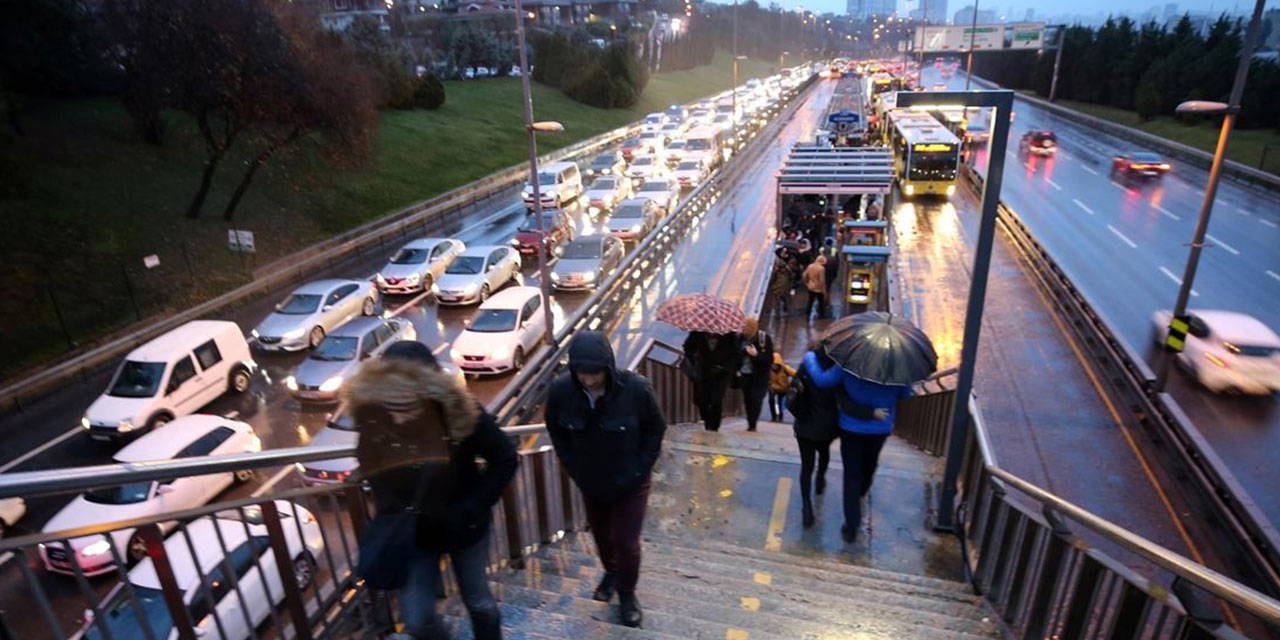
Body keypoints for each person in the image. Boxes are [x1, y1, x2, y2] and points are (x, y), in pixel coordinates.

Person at [347, 340, 518, 640]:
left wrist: (472, 507)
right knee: (417, 619)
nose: (400, 409)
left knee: (479, 602)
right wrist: (392, 508)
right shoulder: (374, 420)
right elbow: (372, 467)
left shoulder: (460, 414)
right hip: (415, 534)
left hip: (464, 527)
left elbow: (504, 458)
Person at [545, 331, 667, 629]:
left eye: (595, 373)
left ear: (608, 367)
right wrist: (573, 466)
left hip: (630, 482)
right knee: (601, 536)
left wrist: (639, 471)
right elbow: (556, 430)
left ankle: (628, 594)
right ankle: (612, 572)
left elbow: (656, 429)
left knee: (626, 541)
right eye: (582, 374)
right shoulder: (562, 392)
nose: (588, 380)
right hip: (592, 481)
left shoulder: (635, 390)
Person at [802, 349, 913, 544]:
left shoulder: (851, 363)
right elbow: (905, 394)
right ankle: (861, 494)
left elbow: (822, 380)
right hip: (880, 428)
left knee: (851, 474)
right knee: (869, 467)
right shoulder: (898, 368)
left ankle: (851, 524)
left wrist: (810, 358)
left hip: (851, 428)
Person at [788, 347, 841, 529]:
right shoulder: (838, 369)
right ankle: (821, 478)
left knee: (806, 466)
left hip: (805, 425)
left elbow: (793, 392)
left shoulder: (806, 367)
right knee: (824, 453)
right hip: (828, 426)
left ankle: (807, 506)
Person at [681, 329, 740, 431]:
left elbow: (735, 354)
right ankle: (706, 419)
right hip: (703, 370)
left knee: (716, 398)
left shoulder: (730, 336)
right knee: (701, 399)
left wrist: (725, 367)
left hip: (721, 373)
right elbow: (687, 347)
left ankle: (714, 426)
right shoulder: (697, 332)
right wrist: (694, 358)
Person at [734, 316, 774, 431]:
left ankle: (752, 424)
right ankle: (750, 421)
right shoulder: (740, 339)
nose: (745, 332)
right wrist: (742, 352)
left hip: (760, 376)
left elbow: (769, 360)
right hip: (744, 374)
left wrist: (756, 355)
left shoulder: (764, 339)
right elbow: (735, 356)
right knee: (747, 399)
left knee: (756, 398)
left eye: (747, 330)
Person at [767, 352, 795, 422]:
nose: (773, 366)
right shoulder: (769, 370)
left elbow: (796, 374)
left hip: (783, 388)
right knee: (771, 400)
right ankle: (773, 416)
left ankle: (780, 417)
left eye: (775, 364)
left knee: (780, 403)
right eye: (772, 364)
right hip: (773, 388)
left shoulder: (785, 369)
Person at [803, 255, 829, 320]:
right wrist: (824, 290)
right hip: (818, 288)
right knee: (821, 302)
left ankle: (807, 315)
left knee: (810, 301)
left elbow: (804, 275)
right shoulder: (821, 269)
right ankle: (821, 315)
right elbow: (822, 280)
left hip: (810, 286)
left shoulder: (810, 266)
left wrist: (807, 283)